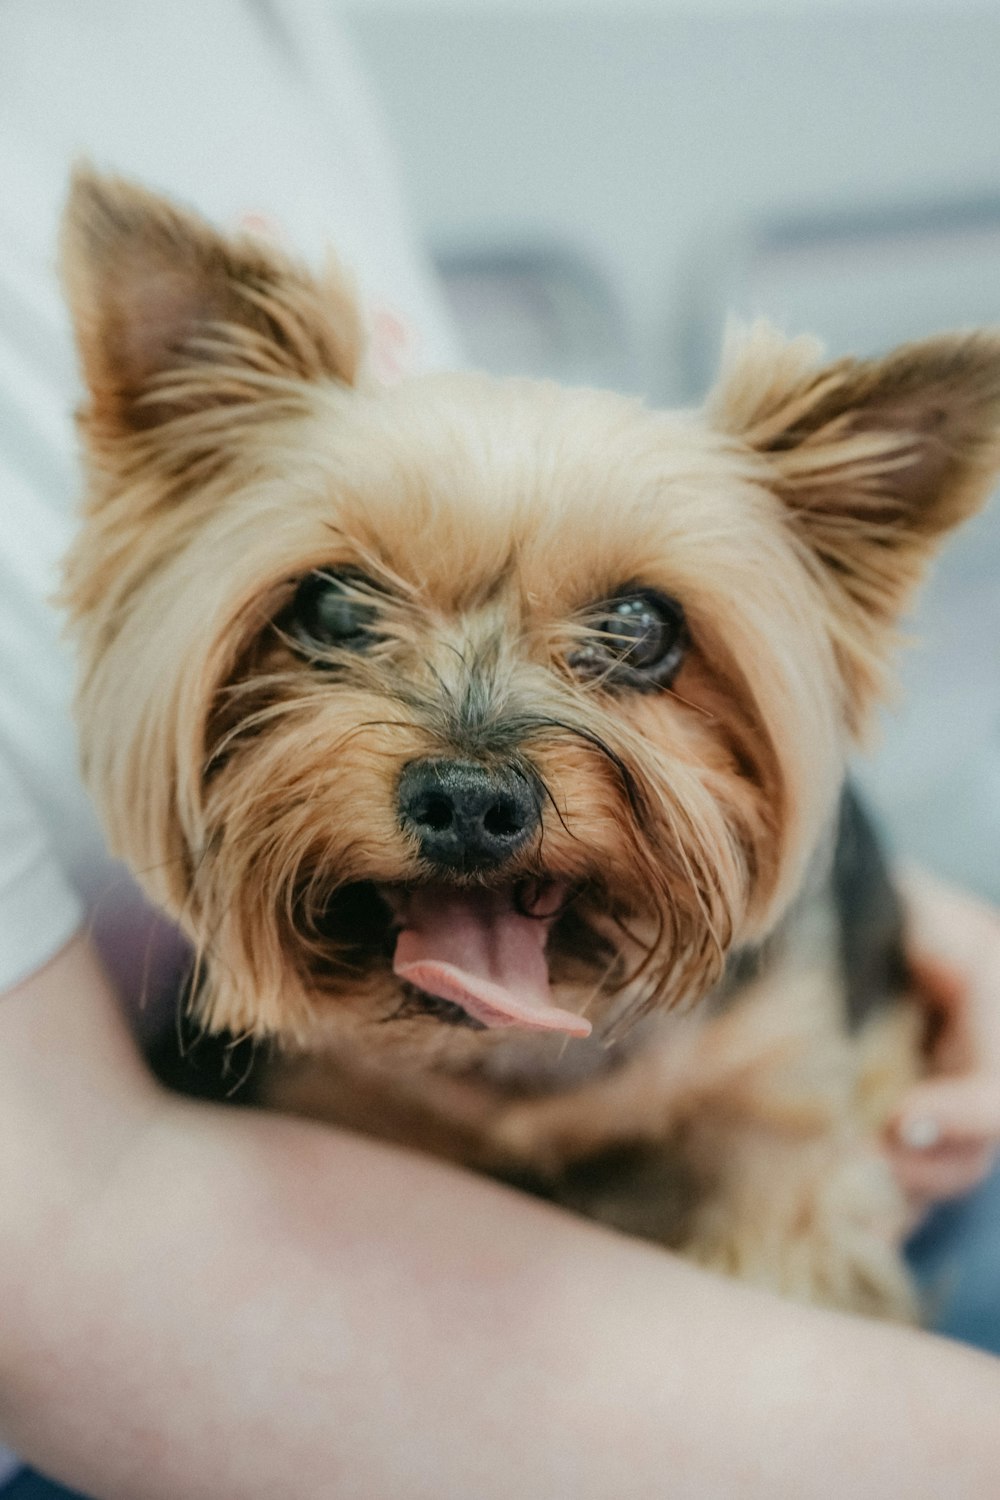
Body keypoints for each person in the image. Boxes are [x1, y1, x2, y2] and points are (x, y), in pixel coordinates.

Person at [2, 4, 1000, 1496]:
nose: (473, 773)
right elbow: (82, 1247)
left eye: (637, 637)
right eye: (338, 614)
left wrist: (894, 913)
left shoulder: (257, 24)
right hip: (191, 1232)